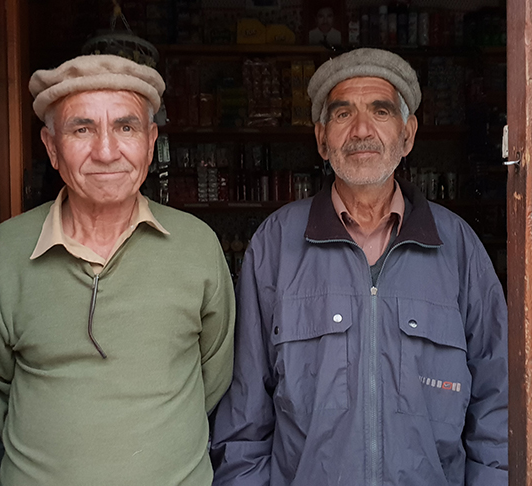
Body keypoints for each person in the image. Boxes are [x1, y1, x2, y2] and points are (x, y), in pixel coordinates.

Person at [210, 48, 508, 485]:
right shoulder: (275, 245)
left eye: (381, 111)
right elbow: (244, 417)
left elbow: (496, 405)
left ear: (407, 136)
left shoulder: (457, 247)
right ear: (321, 139)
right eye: (343, 113)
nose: (362, 130)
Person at [0, 54, 235, 485]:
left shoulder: (197, 247)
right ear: (51, 147)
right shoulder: (5, 252)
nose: (107, 151)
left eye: (125, 127)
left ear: (151, 142)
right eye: (82, 129)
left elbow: (214, 375)